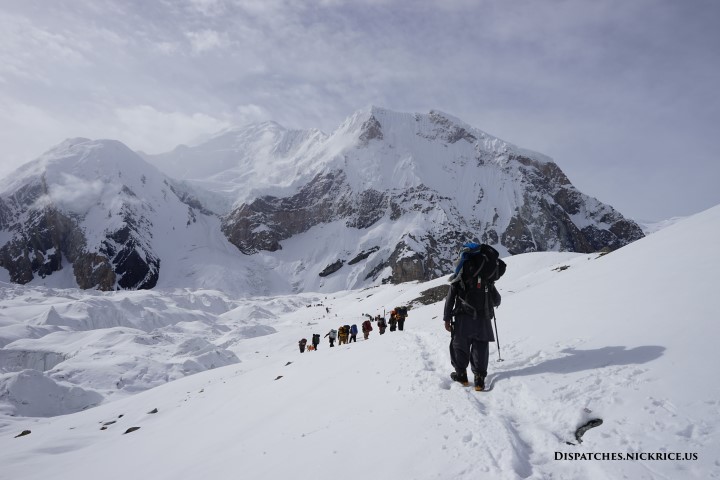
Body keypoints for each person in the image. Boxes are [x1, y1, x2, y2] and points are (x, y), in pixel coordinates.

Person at [443, 255, 501, 391]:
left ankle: (461, 375)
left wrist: (446, 318)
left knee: (459, 346)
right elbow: (497, 300)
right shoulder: (487, 279)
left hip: (463, 318)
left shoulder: (459, 277)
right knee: (480, 347)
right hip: (483, 319)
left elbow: (450, 299)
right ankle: (479, 379)